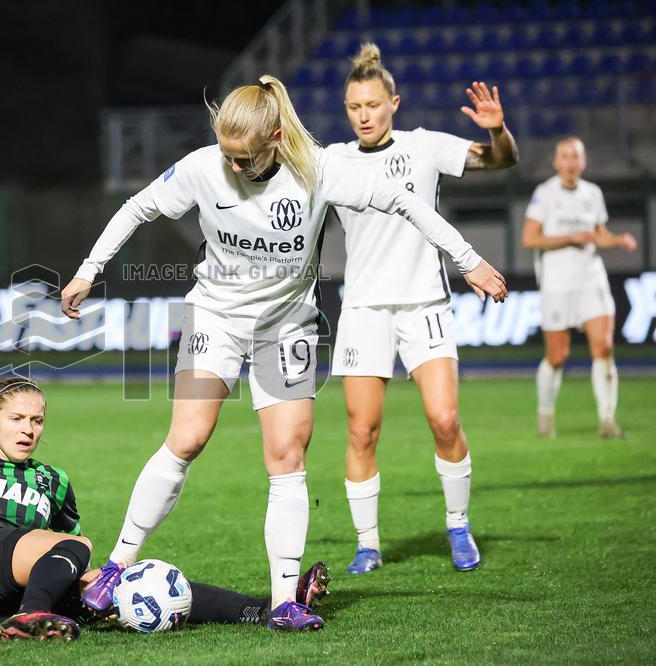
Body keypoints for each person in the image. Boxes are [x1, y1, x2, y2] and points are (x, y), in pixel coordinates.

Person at [59, 74, 507, 627]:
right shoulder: (204, 167)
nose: (234, 166)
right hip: (215, 318)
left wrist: (469, 259)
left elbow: (404, 202)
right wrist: (87, 272)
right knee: (188, 437)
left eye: (244, 157)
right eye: (227, 153)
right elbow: (136, 208)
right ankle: (115, 565)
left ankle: (283, 601)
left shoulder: (319, 170)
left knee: (287, 457)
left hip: (287, 329)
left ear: (274, 137)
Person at [0, 378, 332, 641]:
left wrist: (108, 585)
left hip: (5, 593)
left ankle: (265, 609)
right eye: (16, 419)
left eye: (37, 420)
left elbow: (65, 564)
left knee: (130, 579)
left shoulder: (54, 481)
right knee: (77, 545)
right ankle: (32, 615)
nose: (28, 429)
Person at [324, 44, 519, 575]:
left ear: (394, 103)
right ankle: (368, 544)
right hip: (364, 309)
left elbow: (500, 160)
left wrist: (497, 131)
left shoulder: (425, 147)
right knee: (362, 431)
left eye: (372, 104)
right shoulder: (335, 161)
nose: (363, 115)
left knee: (445, 419)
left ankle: (458, 526)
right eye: (353, 106)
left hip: (425, 304)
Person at [523, 137, 637, 439]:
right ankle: (545, 415)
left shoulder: (593, 194)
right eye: (565, 156)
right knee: (557, 357)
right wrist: (569, 237)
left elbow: (596, 234)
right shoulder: (544, 194)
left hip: (590, 279)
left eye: (576, 156)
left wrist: (617, 240)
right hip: (557, 283)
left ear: (583, 162)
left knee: (604, 348)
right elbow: (530, 238)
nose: (571, 162)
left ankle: (607, 421)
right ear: (556, 162)